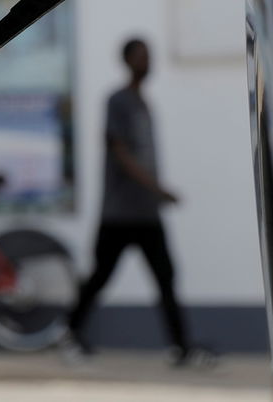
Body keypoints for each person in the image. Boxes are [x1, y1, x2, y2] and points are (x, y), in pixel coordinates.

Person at [61, 37, 214, 367]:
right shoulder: (118, 101)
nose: (148, 62)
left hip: (146, 214)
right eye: (141, 56)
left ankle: (181, 348)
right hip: (119, 213)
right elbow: (121, 154)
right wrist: (159, 188)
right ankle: (69, 335)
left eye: (150, 56)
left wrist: (155, 195)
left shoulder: (143, 102)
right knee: (100, 276)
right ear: (127, 61)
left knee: (166, 278)